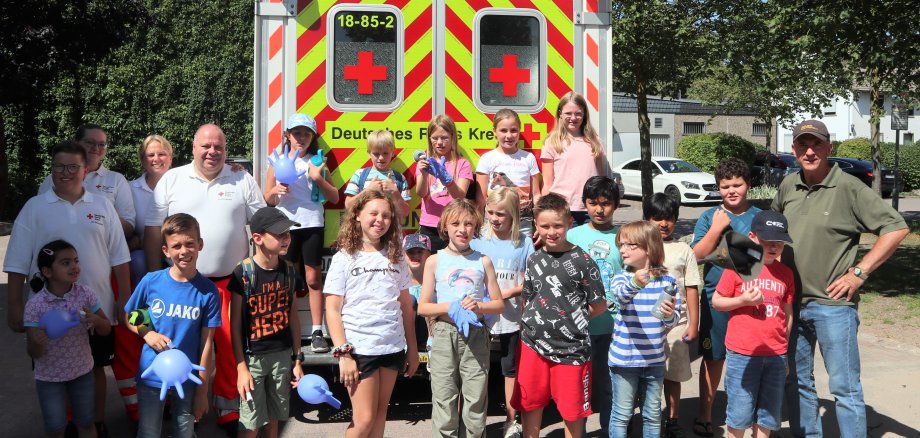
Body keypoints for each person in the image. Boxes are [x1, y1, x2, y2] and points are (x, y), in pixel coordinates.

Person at [773, 120, 908, 438]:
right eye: (803, 145)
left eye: (816, 144)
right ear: (794, 150)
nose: (809, 151)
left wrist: (859, 272)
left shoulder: (848, 187)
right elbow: (773, 229)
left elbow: (896, 227)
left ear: (829, 148)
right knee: (796, 382)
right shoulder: (788, 185)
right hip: (792, 304)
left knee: (845, 389)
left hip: (833, 305)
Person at [144, 123, 266, 430]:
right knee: (178, 344)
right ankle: (180, 405)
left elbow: (261, 223)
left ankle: (227, 408)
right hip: (179, 284)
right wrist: (152, 276)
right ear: (193, 147)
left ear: (226, 150)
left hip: (227, 283)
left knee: (227, 347)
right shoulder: (172, 179)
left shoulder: (242, 178)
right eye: (206, 146)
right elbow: (151, 230)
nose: (213, 152)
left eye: (219, 147)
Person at [5, 140, 131, 436]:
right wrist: (14, 306)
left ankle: (94, 423)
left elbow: (120, 257)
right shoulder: (35, 208)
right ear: (51, 170)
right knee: (54, 374)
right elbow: (17, 262)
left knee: (96, 368)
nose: (65, 172)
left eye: (72, 166)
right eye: (59, 166)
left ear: (85, 170)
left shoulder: (102, 206)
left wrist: (125, 298)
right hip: (49, 314)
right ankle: (62, 425)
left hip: (95, 308)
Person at [323, 190, 419, 438]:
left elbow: (406, 307)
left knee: (379, 415)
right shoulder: (344, 258)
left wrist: (412, 348)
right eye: (373, 213)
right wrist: (343, 353)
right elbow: (332, 309)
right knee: (363, 420)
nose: (380, 220)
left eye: (386, 215)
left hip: (391, 347)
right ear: (357, 215)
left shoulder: (396, 257)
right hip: (359, 349)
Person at [512, 193, 606, 438]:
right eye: (545, 226)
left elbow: (599, 305)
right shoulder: (534, 259)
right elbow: (527, 298)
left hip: (572, 350)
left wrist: (574, 321)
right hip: (533, 346)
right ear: (536, 226)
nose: (551, 232)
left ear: (569, 224)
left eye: (557, 226)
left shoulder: (584, 261)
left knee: (572, 412)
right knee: (530, 403)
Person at [125, 213, 221, 438]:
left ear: (200, 244)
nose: (184, 251)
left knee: (184, 431)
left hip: (188, 377)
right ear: (166, 251)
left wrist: (202, 390)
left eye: (189, 243)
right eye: (176, 246)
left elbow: (207, 344)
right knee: (148, 432)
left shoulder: (208, 291)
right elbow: (130, 314)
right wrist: (147, 333)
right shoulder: (151, 282)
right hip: (151, 373)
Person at [419, 199, 505, 438]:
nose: (462, 229)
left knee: (476, 400)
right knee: (444, 399)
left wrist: (479, 306)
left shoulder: (483, 260)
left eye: (468, 224)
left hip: (476, 335)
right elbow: (423, 307)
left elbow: (498, 304)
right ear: (445, 227)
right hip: (444, 333)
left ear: (475, 227)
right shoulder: (434, 261)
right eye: (455, 223)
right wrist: (449, 306)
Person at [691, 157, 760, 437]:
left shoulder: (758, 215)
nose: (731, 191)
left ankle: (750, 417)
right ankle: (705, 414)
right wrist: (718, 229)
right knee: (713, 357)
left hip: (752, 297)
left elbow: (763, 258)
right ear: (718, 188)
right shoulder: (710, 216)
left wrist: (736, 254)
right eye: (725, 186)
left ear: (748, 185)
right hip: (714, 297)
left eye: (737, 185)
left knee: (750, 359)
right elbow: (696, 255)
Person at [712, 211, 795, 438]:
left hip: (775, 354)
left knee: (767, 415)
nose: (774, 246)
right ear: (752, 237)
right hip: (743, 353)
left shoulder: (786, 274)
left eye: (779, 242)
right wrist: (742, 301)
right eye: (767, 240)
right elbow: (717, 301)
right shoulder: (739, 267)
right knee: (739, 414)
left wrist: (784, 352)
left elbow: (787, 314)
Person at [262, 114, 339, 355]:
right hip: (285, 227)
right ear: (287, 135)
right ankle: (283, 325)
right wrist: (274, 190)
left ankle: (317, 331)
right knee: (288, 279)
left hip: (312, 223)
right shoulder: (277, 161)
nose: (301, 138)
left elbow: (335, 198)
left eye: (306, 133)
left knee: (314, 279)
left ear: (313, 137)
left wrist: (318, 177)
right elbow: (267, 199)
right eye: (297, 133)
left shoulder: (316, 161)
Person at [229, 207, 304, 438]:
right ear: (258, 238)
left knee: (274, 419)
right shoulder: (243, 272)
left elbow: (293, 317)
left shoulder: (290, 271)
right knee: (250, 422)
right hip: (253, 360)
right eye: (279, 234)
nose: (286, 238)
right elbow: (234, 326)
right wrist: (241, 367)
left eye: (288, 233)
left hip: (281, 356)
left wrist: (297, 358)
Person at [25, 240, 111, 438]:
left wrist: (97, 321)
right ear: (47, 272)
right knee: (55, 429)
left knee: (86, 423)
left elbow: (106, 330)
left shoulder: (85, 294)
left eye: (76, 260)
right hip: (49, 377)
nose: (74, 266)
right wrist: (36, 340)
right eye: (65, 263)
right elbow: (33, 353)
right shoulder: (35, 305)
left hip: (82, 371)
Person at [470, 188, 534, 438]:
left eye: (502, 214)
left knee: (510, 370)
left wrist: (507, 294)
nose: (495, 218)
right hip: (480, 318)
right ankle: (475, 421)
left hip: (511, 319)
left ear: (514, 215)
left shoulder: (524, 243)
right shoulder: (477, 242)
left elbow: (531, 280)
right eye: (491, 212)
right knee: (477, 370)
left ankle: (511, 420)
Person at [609, 220, 680, 438]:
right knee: (622, 414)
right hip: (624, 360)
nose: (622, 250)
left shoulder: (667, 281)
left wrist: (669, 316)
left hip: (654, 360)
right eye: (621, 245)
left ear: (648, 248)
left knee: (652, 415)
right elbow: (621, 296)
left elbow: (672, 318)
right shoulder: (621, 277)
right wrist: (636, 283)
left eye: (630, 245)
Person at [565, 175, 623, 436]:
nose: (600, 209)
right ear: (584, 204)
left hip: (614, 328)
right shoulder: (572, 235)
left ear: (616, 204)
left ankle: (611, 431)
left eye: (606, 203)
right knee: (579, 387)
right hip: (579, 329)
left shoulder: (624, 237)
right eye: (593, 203)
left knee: (610, 386)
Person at [644, 193, 701, 438]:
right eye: (658, 218)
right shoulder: (640, 247)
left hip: (677, 325)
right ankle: (649, 418)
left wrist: (694, 324)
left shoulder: (683, 249)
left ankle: (673, 419)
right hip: (644, 324)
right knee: (646, 375)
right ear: (647, 219)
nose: (664, 224)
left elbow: (691, 288)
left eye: (669, 219)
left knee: (673, 375)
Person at [39, 124, 136, 238]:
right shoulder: (53, 179)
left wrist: (92, 226)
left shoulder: (116, 180)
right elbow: (39, 216)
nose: (96, 148)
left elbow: (129, 224)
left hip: (100, 250)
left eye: (101, 144)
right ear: (76, 143)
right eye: (90, 142)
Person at [540, 92, 606, 226]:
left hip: (591, 209)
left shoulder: (594, 141)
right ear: (560, 114)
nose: (573, 118)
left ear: (584, 115)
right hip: (561, 209)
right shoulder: (552, 142)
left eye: (578, 113)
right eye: (568, 113)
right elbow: (547, 184)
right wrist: (542, 212)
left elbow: (601, 179)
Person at [475, 109, 541, 237]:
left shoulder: (528, 158)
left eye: (514, 130)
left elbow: (536, 194)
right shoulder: (487, 159)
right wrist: (479, 222)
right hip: (493, 222)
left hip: (522, 221)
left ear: (519, 131)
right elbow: (481, 198)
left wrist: (539, 219)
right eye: (503, 130)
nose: (509, 135)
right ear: (494, 131)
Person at [416, 115, 474, 251]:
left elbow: (460, 196)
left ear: (453, 137)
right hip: (429, 225)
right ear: (429, 139)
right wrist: (424, 173)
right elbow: (421, 193)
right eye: (435, 138)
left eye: (444, 138)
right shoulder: (426, 161)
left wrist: (447, 180)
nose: (439, 142)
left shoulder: (462, 163)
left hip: (454, 225)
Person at [343, 129, 411, 219]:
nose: (381, 158)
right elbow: (348, 206)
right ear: (369, 154)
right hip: (363, 231)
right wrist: (368, 191)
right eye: (376, 154)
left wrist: (395, 192)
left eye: (385, 153)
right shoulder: (359, 175)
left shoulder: (400, 178)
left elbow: (405, 213)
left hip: (392, 231)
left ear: (393, 152)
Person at [403, 233, 435, 362]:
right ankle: (405, 346)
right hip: (405, 331)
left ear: (429, 254)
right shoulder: (397, 279)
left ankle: (432, 346)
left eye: (420, 251)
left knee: (431, 298)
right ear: (404, 255)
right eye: (411, 252)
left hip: (428, 332)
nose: (415, 256)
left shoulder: (436, 279)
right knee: (409, 299)